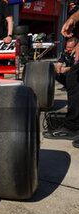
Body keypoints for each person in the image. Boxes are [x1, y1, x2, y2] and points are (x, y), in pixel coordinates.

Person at [45, 10, 79, 148]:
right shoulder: (66, 52)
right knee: (73, 78)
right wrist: (73, 19)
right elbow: (59, 63)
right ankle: (73, 126)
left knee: (74, 75)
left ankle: (73, 126)